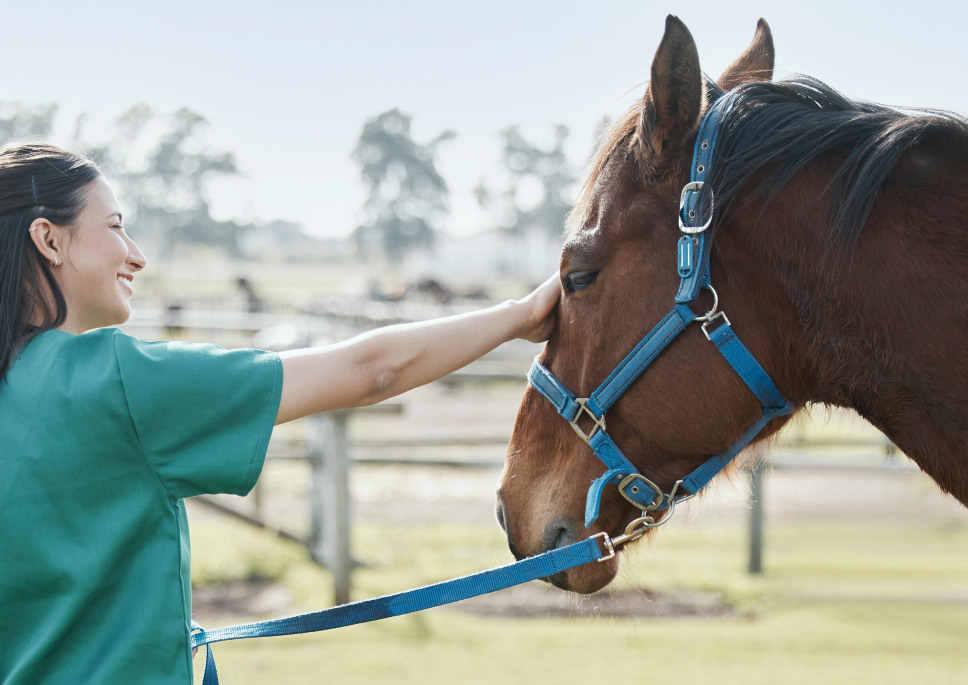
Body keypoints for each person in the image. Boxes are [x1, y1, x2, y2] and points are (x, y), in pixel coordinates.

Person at [0, 142, 561, 684]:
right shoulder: (117, 380)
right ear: (49, 240)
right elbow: (372, 370)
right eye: (116, 225)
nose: (137, 254)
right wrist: (523, 314)